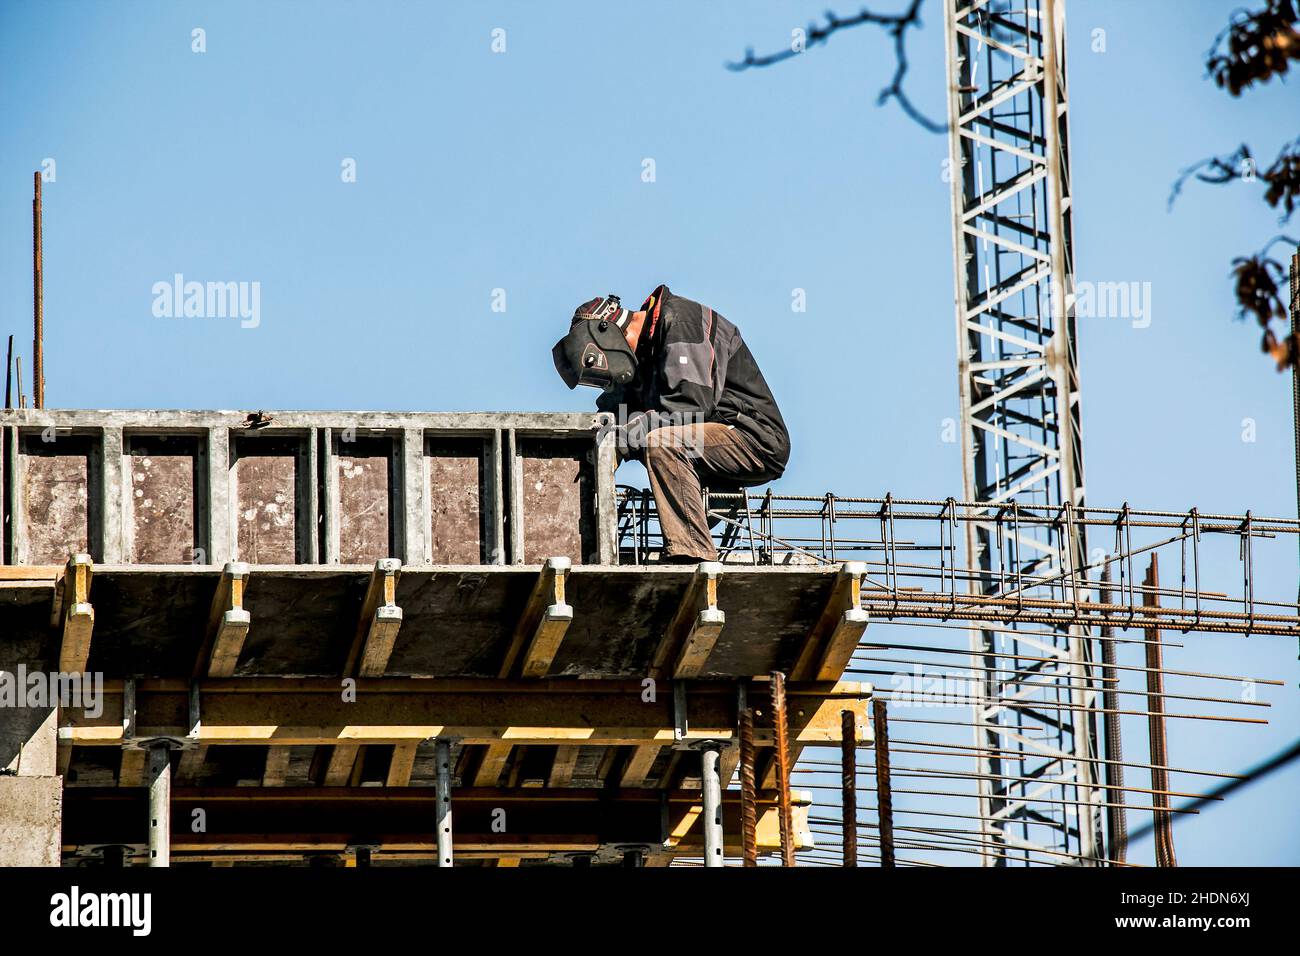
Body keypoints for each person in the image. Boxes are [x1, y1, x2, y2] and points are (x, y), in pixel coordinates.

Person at [552, 284, 790, 563]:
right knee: (637, 434)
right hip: (706, 441)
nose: (606, 381)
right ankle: (712, 501)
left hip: (752, 437)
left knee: (659, 442)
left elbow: (690, 408)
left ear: (606, 334)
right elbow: (613, 421)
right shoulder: (641, 356)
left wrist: (622, 440)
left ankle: (692, 552)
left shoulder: (681, 321)